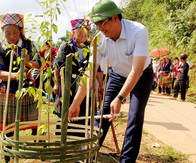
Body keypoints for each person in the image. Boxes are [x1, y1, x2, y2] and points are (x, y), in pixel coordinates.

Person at [68, 0, 153, 162]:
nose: (100, 29)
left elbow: (137, 70)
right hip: (117, 75)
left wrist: (120, 98)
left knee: (135, 117)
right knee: (103, 114)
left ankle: (127, 160)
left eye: (102, 24)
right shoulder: (99, 40)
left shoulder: (138, 31)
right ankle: (88, 154)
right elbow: (90, 73)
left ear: (115, 18)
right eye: (97, 25)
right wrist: (76, 102)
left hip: (141, 77)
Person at [0, 13, 40, 163]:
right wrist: (14, 75)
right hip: (9, 90)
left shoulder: (29, 45)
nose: (11, 36)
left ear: (20, 32)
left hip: (29, 89)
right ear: (3, 32)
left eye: (15, 32)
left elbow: (38, 64)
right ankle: (8, 154)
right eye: (8, 32)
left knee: (33, 120)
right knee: (9, 124)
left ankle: (36, 145)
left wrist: (27, 62)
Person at [53, 18, 91, 136]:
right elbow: (57, 65)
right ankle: (62, 138)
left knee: (82, 109)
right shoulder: (66, 46)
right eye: (80, 34)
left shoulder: (89, 48)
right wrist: (57, 83)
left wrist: (99, 84)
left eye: (85, 34)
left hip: (83, 84)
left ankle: (79, 138)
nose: (82, 37)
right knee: (65, 108)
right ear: (73, 33)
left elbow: (96, 67)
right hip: (67, 84)